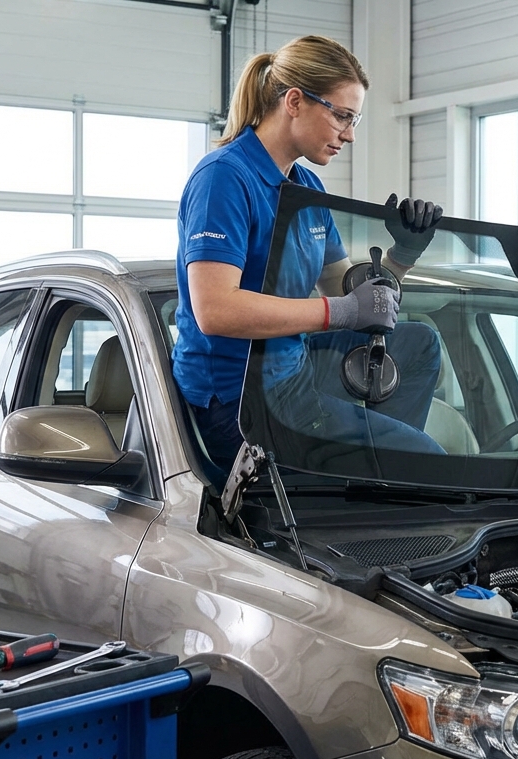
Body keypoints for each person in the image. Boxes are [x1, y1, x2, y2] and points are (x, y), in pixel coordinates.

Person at [172, 35, 446, 468]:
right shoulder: (224, 178)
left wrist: (404, 253)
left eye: (354, 120)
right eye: (342, 116)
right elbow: (216, 310)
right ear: (295, 101)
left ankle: (374, 479)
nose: (350, 135)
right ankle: (382, 475)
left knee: (421, 344)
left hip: (291, 373)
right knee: (425, 460)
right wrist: (338, 312)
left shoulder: (306, 186)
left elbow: (351, 293)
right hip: (236, 398)